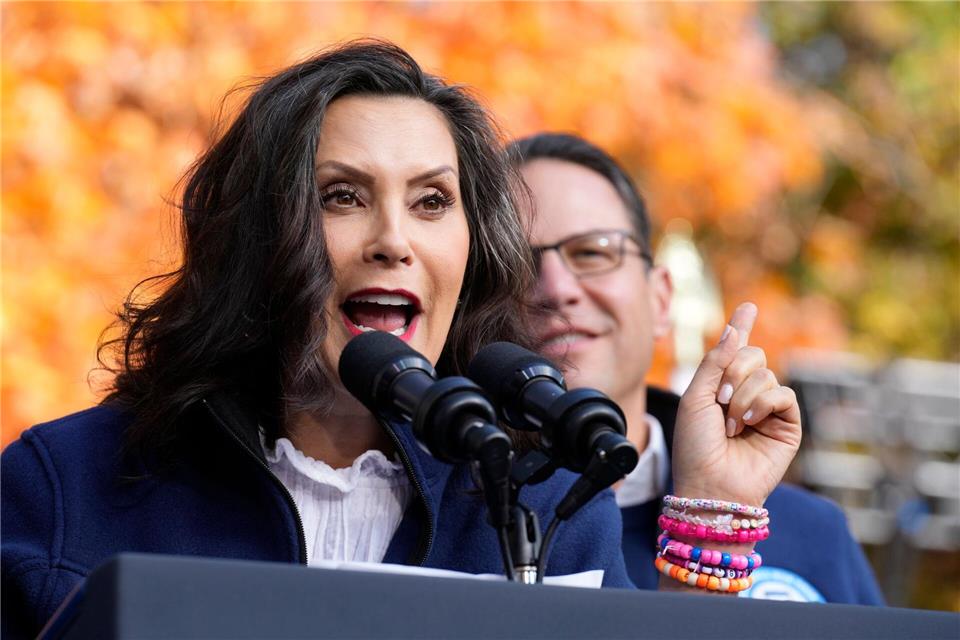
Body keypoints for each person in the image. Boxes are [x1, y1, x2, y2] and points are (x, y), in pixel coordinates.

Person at [0, 43, 638, 638]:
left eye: (432, 201)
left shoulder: (555, 510)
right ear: (256, 240)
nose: (393, 240)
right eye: (342, 196)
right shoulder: (65, 483)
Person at [509, 132, 884, 604]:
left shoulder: (810, 536)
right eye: (515, 263)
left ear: (662, 298)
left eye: (593, 252)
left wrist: (716, 520)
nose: (556, 288)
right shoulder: (438, 521)